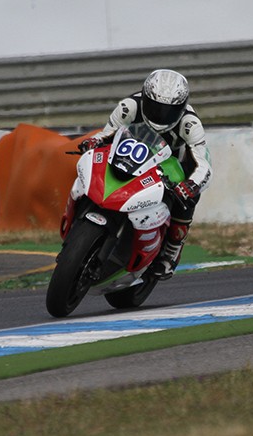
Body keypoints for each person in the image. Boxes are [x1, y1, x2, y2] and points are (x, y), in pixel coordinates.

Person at [78, 69, 213, 279]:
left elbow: (203, 164)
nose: (161, 115)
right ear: (145, 98)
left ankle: (171, 252)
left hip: (172, 164)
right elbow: (107, 134)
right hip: (130, 152)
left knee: (189, 198)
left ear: (182, 107)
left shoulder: (190, 124)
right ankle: (81, 209)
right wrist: (94, 141)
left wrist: (192, 185)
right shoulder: (129, 106)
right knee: (92, 159)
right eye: (156, 107)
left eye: (169, 110)